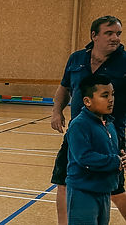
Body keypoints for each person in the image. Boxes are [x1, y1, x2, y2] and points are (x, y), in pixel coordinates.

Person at [51, 15, 126, 224]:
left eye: (118, 34)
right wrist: (57, 111)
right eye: (109, 33)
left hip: (111, 136)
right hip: (78, 134)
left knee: (116, 190)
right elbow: (64, 87)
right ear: (94, 35)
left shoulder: (124, 62)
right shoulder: (76, 59)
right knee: (64, 182)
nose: (115, 38)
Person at [66, 74, 126, 225]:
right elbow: (84, 157)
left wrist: (120, 156)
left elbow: (109, 151)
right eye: (104, 96)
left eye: (112, 94)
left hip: (103, 190)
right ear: (87, 101)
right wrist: (114, 161)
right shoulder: (79, 125)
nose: (111, 99)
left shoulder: (109, 124)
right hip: (83, 192)